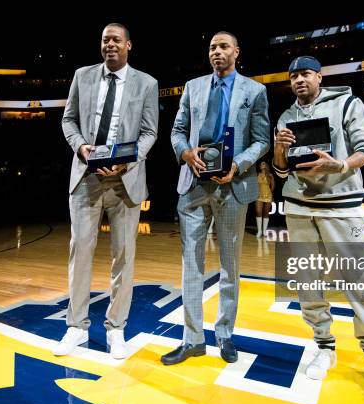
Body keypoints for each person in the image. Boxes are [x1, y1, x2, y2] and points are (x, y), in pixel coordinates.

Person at [272, 56, 364, 398]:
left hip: (342, 206)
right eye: (294, 75)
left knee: (358, 281)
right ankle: (324, 347)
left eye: (306, 74)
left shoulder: (347, 103)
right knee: (307, 283)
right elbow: (281, 171)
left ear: (319, 76)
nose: (299, 80)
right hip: (298, 208)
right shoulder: (286, 116)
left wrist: (339, 164)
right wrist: (280, 151)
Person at [163, 31, 270, 365]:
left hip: (232, 186)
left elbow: (262, 139)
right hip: (194, 186)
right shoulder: (193, 87)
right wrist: (185, 153)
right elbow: (177, 131)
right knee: (191, 266)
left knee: (229, 266)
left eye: (224, 47)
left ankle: (224, 334)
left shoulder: (256, 91)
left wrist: (237, 165)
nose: (217, 52)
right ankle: (192, 339)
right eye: (212, 47)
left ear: (236, 51)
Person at [55, 23, 159, 359]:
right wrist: (81, 147)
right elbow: (68, 120)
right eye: (104, 40)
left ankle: (116, 328)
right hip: (86, 176)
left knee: (123, 257)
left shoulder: (147, 83)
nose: (110, 44)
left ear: (129, 44)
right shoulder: (82, 76)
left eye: (116, 40)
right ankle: (76, 327)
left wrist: (127, 162)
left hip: (125, 181)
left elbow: (149, 133)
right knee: (80, 253)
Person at [255, 161, 274, 238]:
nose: (261, 165)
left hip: (268, 196)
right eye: (260, 164)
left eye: (263, 164)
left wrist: (270, 194)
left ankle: (264, 231)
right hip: (258, 196)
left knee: (266, 213)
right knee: (258, 211)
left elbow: (273, 186)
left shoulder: (270, 175)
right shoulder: (257, 175)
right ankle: (259, 231)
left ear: (266, 165)